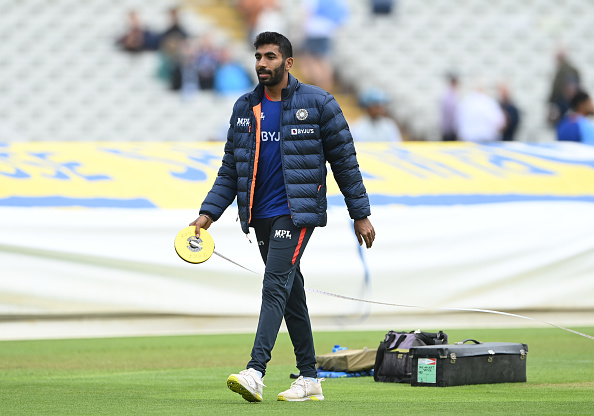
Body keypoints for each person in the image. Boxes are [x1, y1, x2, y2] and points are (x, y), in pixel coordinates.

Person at [188, 31, 375, 402]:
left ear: (288, 63)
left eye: (270, 57)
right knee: (291, 294)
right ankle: (309, 379)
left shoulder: (319, 104)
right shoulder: (244, 108)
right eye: (258, 56)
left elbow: (345, 164)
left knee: (274, 286)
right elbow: (230, 169)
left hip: (297, 213)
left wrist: (361, 214)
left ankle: (256, 371)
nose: (261, 63)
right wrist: (207, 214)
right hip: (259, 217)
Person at [547, 49, 581, 127]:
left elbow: (571, 88)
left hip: (565, 103)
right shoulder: (560, 69)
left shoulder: (568, 70)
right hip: (559, 103)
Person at [439, 73, 460, 141]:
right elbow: (451, 113)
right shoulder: (450, 95)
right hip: (449, 129)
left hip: (448, 128)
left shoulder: (450, 94)